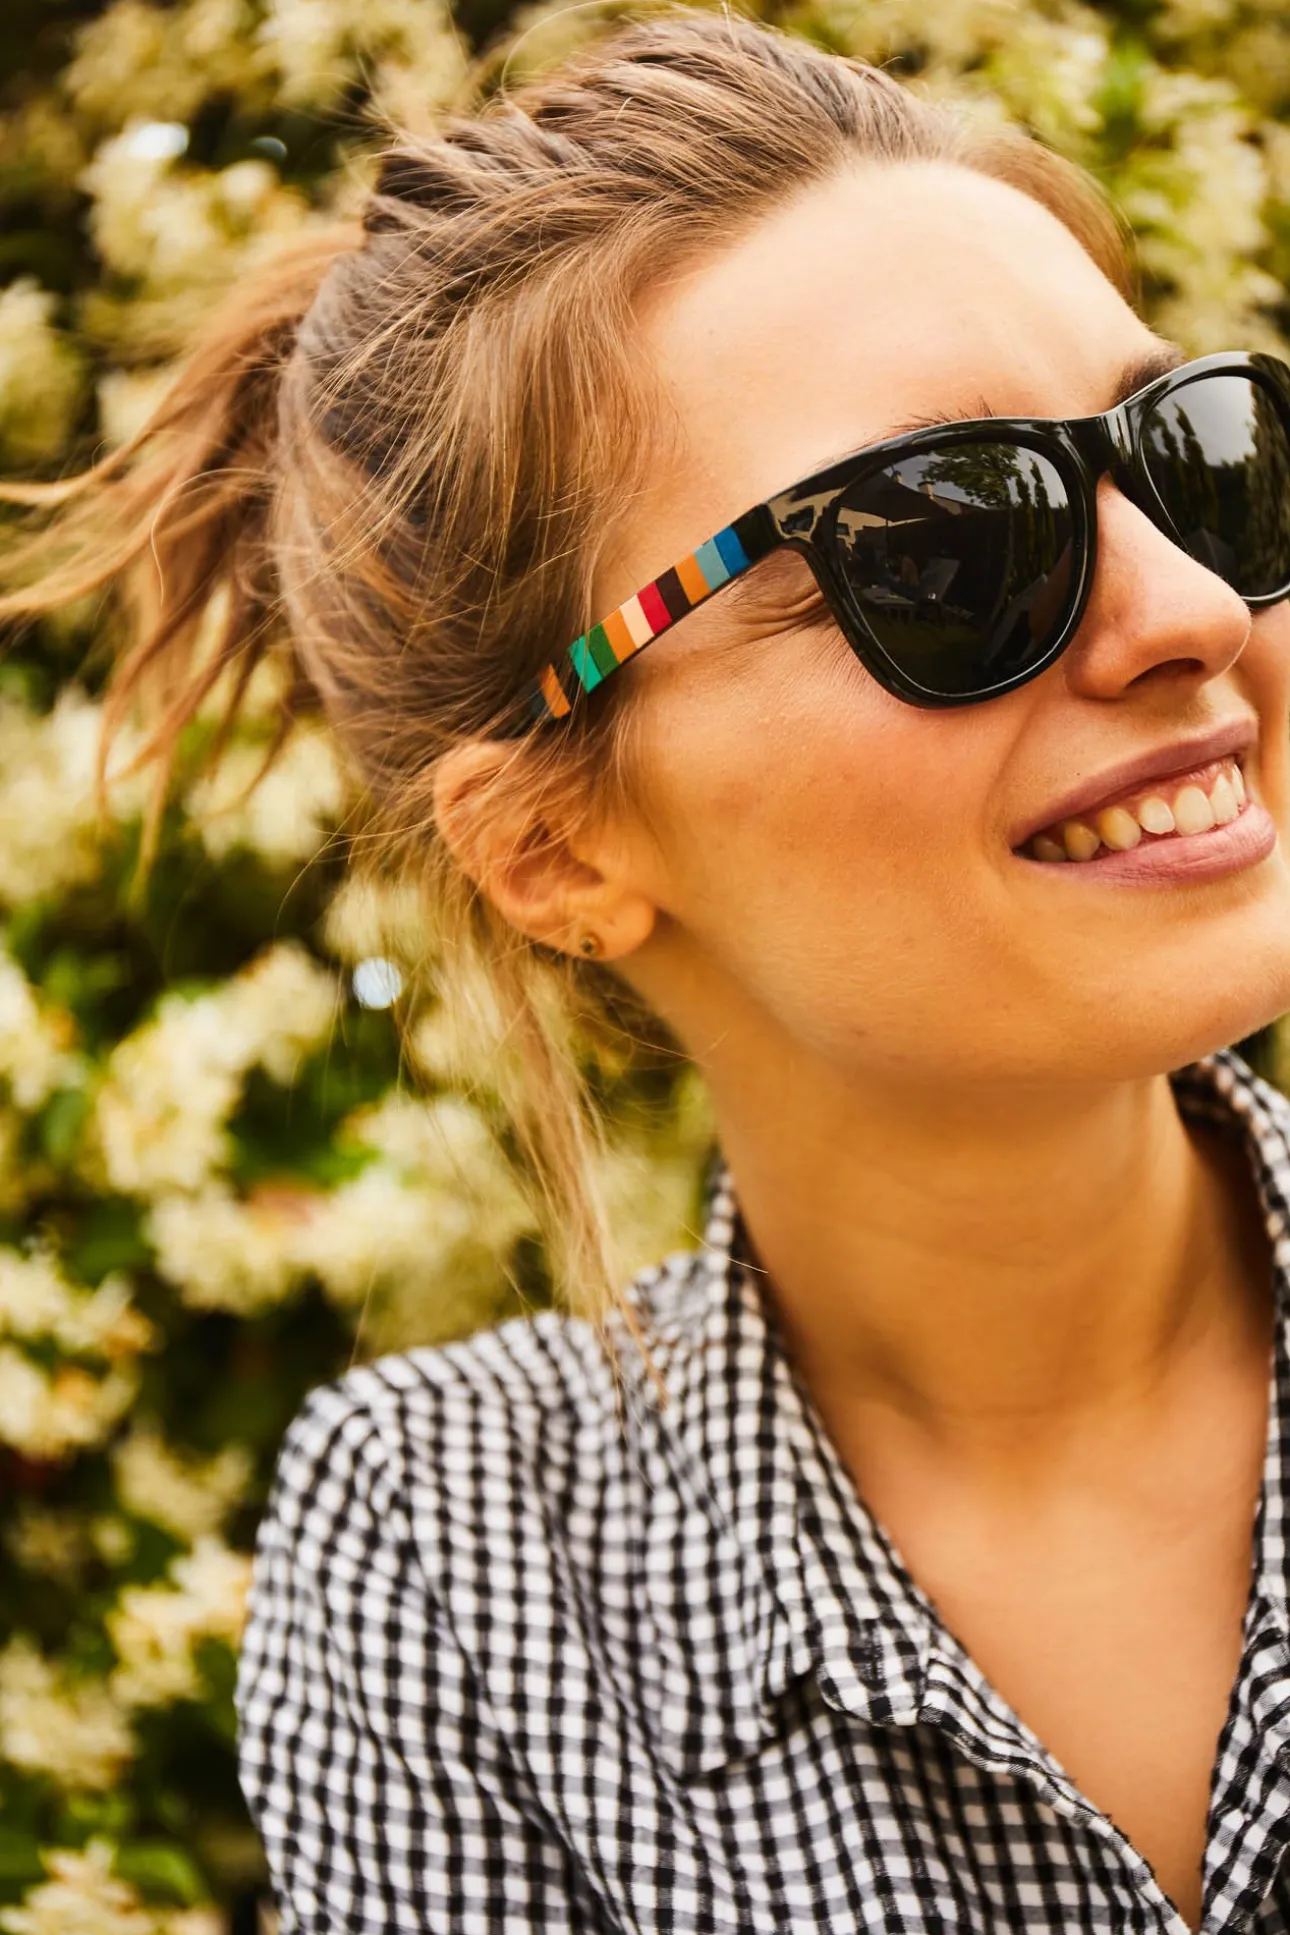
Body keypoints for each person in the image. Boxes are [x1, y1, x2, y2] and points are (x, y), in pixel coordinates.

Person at [7, 9, 1290, 1929]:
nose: (1191, 609)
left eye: (1197, 460)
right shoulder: (454, 1567)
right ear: (552, 847)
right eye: (942, 546)